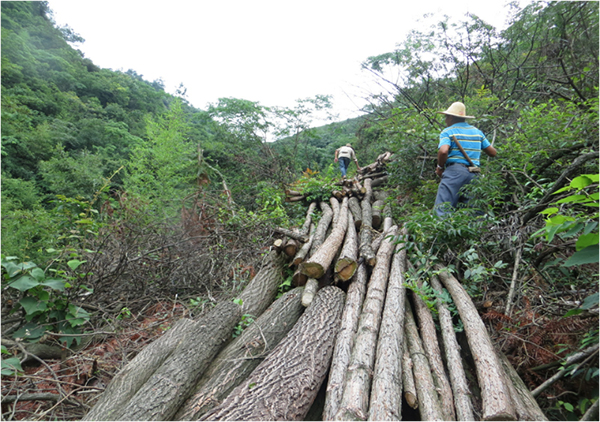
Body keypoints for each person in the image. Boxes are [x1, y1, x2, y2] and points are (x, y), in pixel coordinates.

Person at [434, 102, 497, 217]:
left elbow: (443, 151)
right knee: (474, 212)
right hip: (474, 174)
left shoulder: (448, 132)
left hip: (454, 172)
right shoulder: (477, 132)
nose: (445, 120)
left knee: (443, 208)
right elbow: (492, 153)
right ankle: (478, 234)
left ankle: (441, 233)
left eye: (446, 117)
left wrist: (440, 167)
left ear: (451, 117)